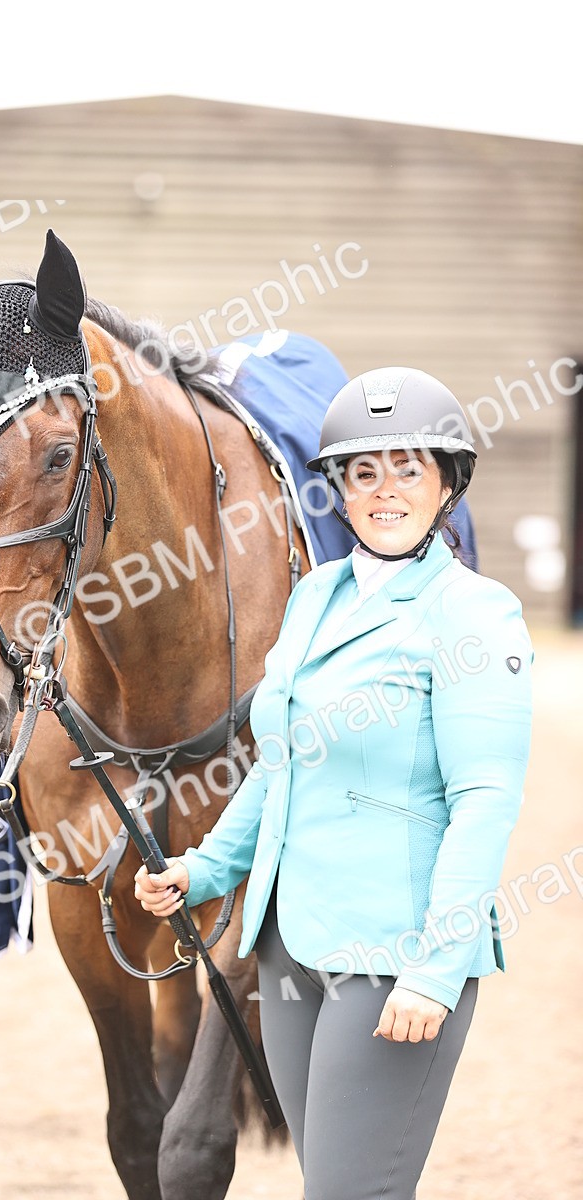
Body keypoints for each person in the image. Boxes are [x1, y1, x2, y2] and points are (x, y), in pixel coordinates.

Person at [134, 366, 533, 1200]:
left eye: (407, 469)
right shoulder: (316, 596)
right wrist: (204, 870)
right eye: (362, 471)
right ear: (338, 491)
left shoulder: (476, 614)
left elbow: (484, 803)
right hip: (288, 948)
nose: (384, 490)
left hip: (396, 954)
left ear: (447, 484)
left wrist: (434, 969)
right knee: (336, 1183)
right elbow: (282, 764)